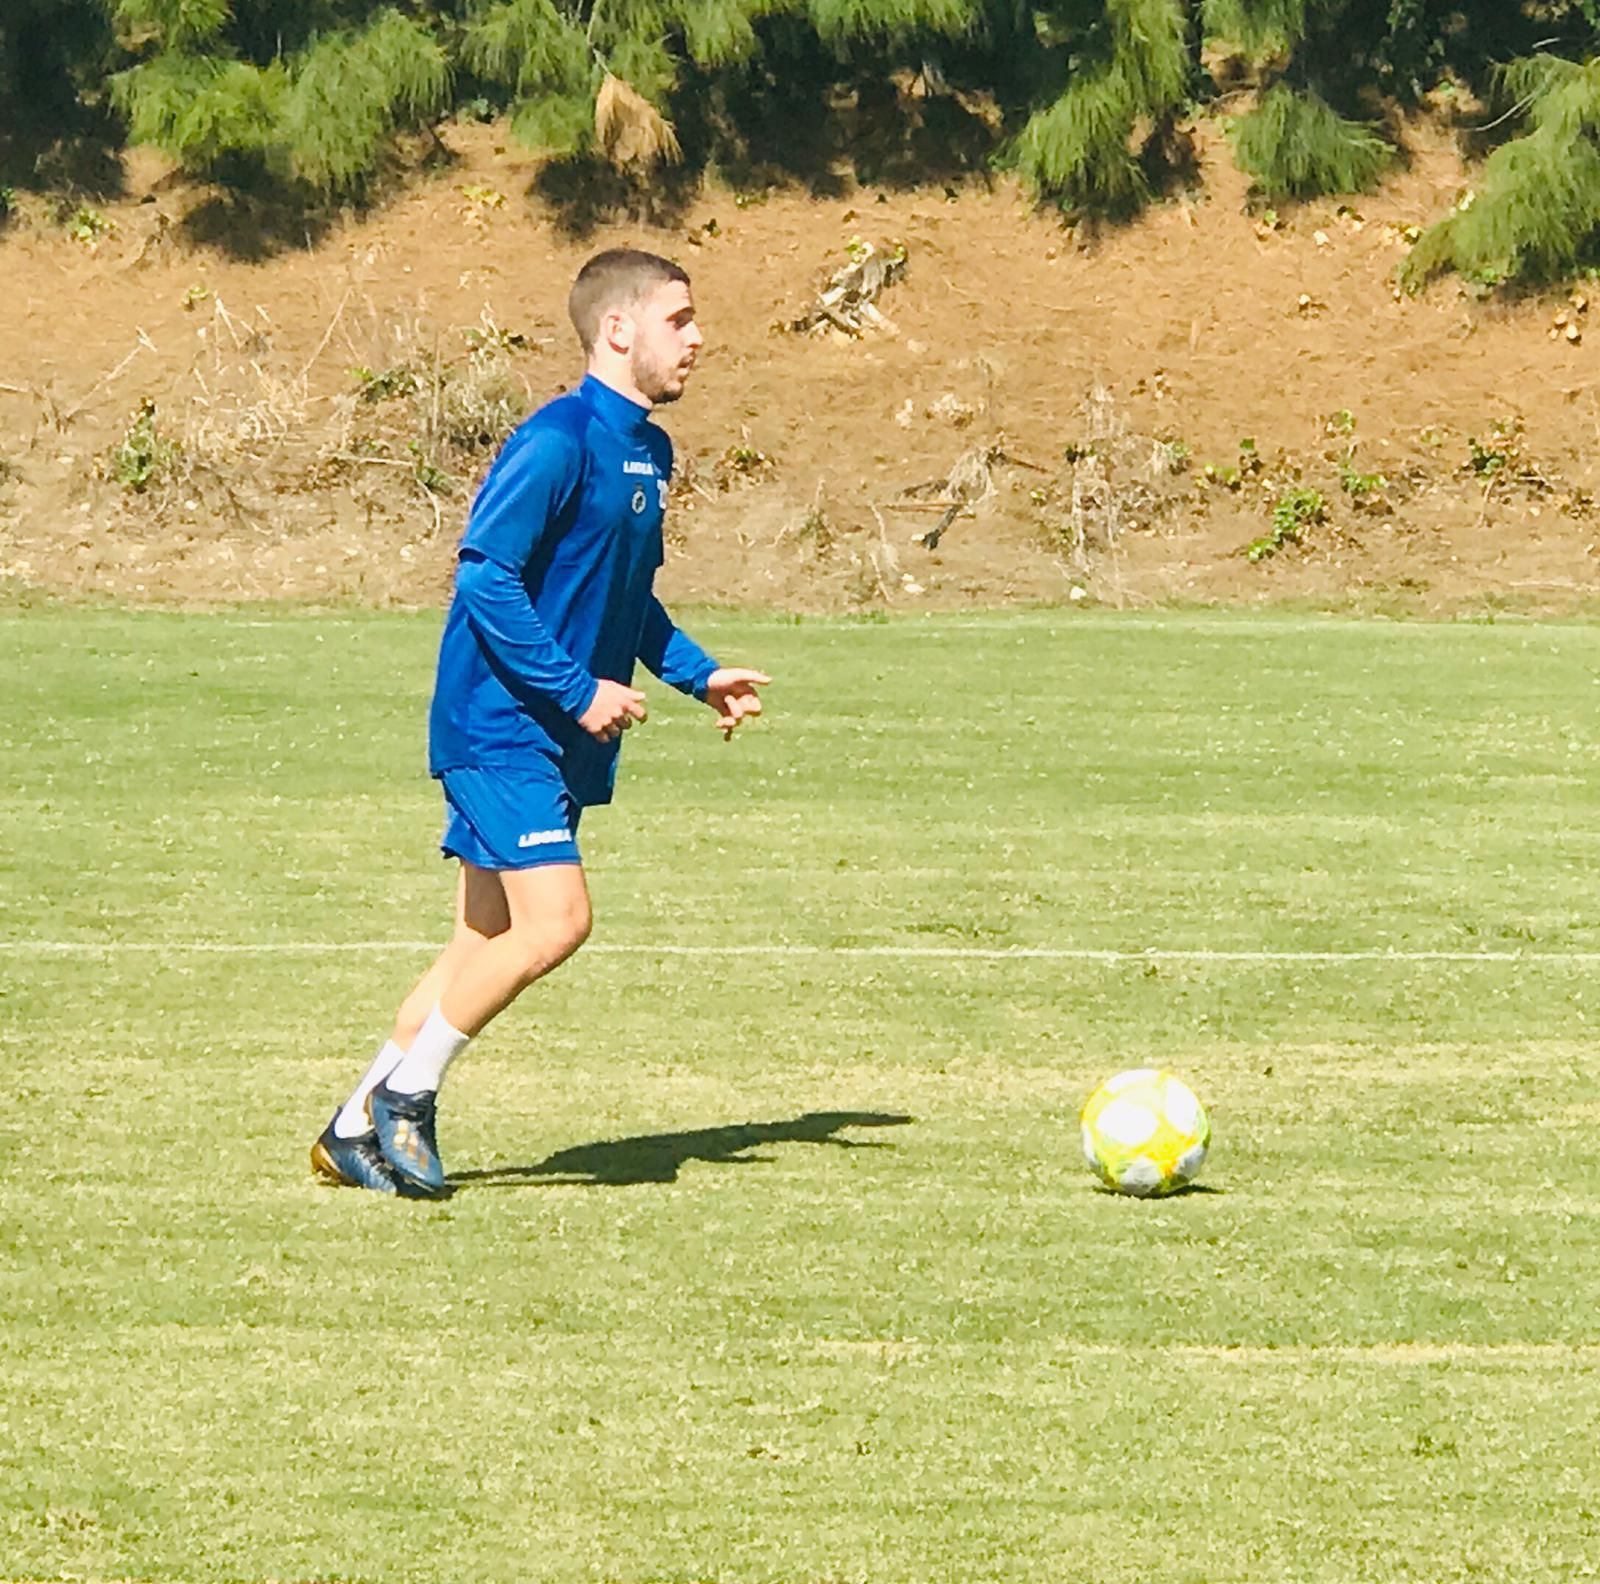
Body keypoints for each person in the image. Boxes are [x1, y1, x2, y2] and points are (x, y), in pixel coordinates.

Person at [310, 248, 769, 1197]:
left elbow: (627, 597)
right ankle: (409, 1097)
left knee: (480, 944)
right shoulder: (558, 439)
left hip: (549, 732)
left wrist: (699, 675)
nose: (698, 337)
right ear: (618, 330)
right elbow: (485, 574)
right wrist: (579, 688)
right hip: (499, 722)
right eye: (678, 320)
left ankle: (352, 1125)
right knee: (558, 922)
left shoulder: (650, 449)